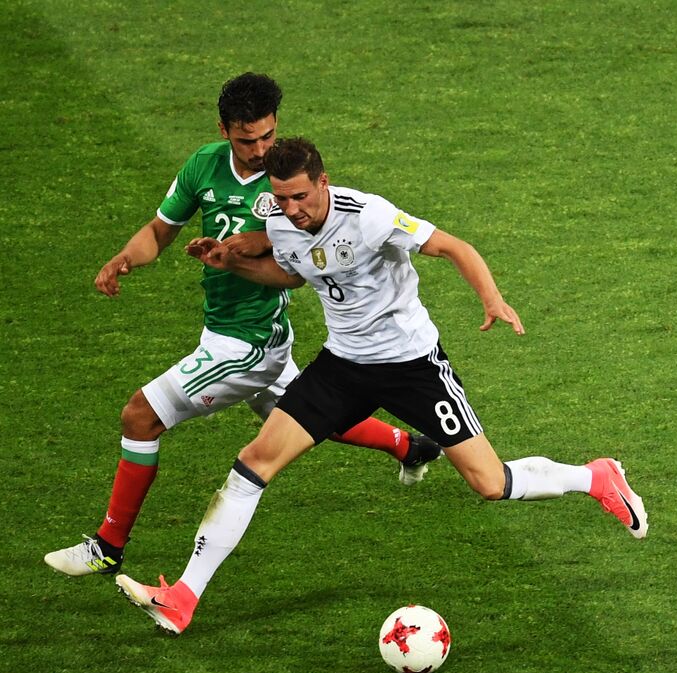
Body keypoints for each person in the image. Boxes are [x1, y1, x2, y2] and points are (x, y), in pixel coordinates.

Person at [115, 136, 647, 634]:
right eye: (281, 198)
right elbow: (296, 275)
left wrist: (491, 298)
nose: (291, 209)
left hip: (412, 367)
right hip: (342, 367)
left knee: (490, 483)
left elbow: (454, 247)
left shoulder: (367, 215)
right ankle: (184, 596)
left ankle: (595, 477)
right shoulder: (278, 219)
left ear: (323, 183)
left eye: (300, 196)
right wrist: (231, 263)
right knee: (255, 461)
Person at [45, 74, 442, 579]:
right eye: (246, 140)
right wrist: (127, 258)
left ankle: (108, 545)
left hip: (250, 341)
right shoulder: (204, 166)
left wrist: (257, 242)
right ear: (224, 130)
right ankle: (412, 446)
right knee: (301, 414)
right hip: (226, 328)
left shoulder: (289, 188)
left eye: (267, 137)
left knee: (140, 417)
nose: (259, 150)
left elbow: (311, 256)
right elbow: (158, 230)